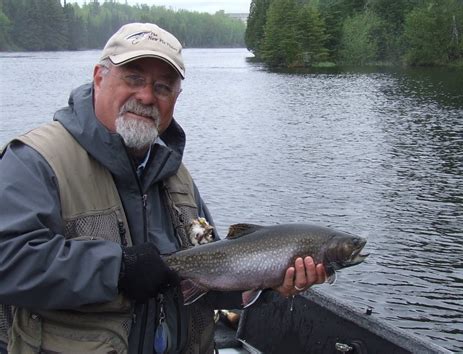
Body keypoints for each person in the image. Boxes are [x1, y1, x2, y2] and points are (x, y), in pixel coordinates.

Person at [0, 23, 327, 354]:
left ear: (176, 97)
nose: (146, 96)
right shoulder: (35, 161)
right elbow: (7, 261)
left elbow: (210, 273)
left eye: (163, 86)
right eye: (134, 78)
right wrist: (115, 269)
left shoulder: (177, 177)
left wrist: (267, 280)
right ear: (99, 77)